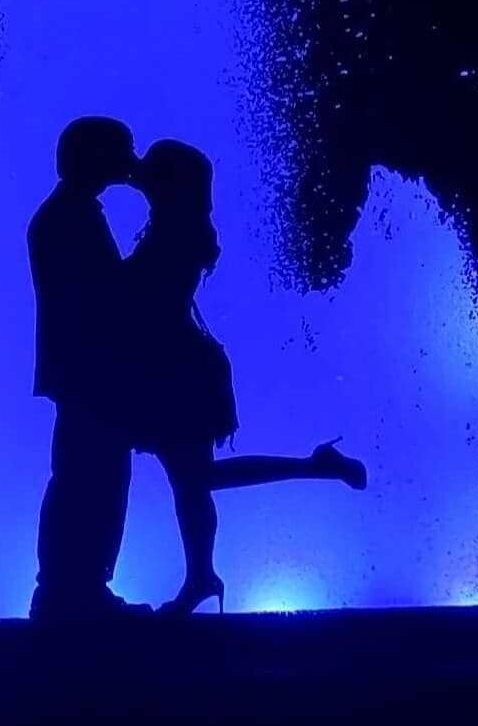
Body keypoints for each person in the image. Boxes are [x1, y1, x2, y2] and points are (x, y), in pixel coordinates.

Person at [125, 139, 367, 616]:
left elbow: (144, 295)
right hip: (178, 363)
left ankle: (313, 469)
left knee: (196, 478)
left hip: (176, 368)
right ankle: (200, 575)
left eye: (151, 174)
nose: (140, 179)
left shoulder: (174, 232)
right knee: (192, 481)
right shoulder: (183, 227)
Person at [28, 116, 145, 620]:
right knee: (90, 479)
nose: (129, 163)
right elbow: (103, 294)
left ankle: (73, 587)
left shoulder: (66, 214)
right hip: (89, 371)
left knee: (86, 477)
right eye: (122, 152)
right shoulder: (69, 218)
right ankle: (71, 590)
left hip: (83, 370)